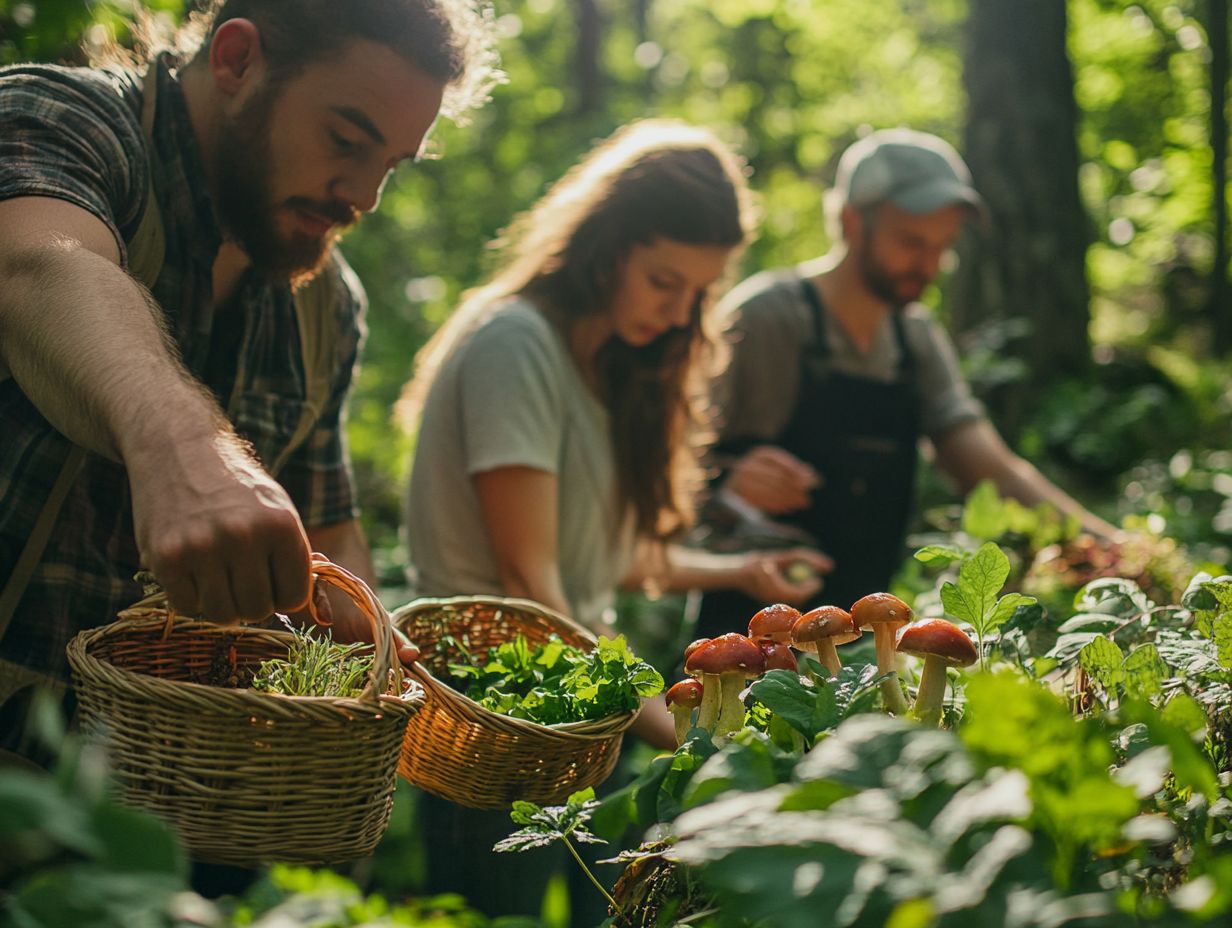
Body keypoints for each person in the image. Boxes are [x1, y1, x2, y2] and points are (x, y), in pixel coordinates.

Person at [0, 0, 500, 763]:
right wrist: (183, 448)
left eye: (389, 166)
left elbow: (327, 531)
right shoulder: (61, 119)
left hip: (137, 807)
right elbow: (40, 267)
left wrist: (376, 660)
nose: (363, 197)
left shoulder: (326, 305)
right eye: (345, 139)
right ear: (237, 59)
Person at [399, 119, 829, 918]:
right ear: (606, 242)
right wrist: (669, 724)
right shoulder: (516, 346)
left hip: (576, 724)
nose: (676, 314)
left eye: (695, 293)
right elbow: (532, 578)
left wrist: (740, 571)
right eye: (663, 281)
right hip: (492, 724)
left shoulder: (603, 369)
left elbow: (615, 561)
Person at [695, 127, 1121, 638]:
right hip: (746, 645)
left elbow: (993, 472)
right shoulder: (767, 318)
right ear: (853, 223)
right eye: (912, 242)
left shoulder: (914, 339)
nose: (930, 265)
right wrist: (726, 481)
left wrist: (1112, 547)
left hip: (868, 650)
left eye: (943, 246)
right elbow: (662, 466)